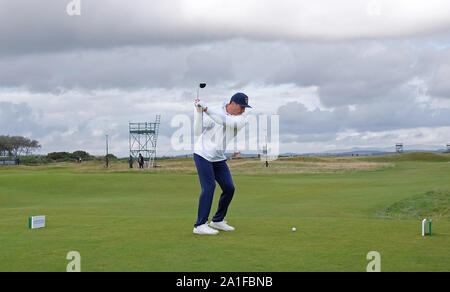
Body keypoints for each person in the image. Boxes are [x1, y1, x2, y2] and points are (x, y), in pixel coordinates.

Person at [192, 92, 251, 235]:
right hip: (203, 154)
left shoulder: (242, 119)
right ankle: (200, 225)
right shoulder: (215, 111)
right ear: (232, 104)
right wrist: (198, 112)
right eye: (242, 107)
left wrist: (205, 109)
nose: (243, 110)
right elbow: (197, 131)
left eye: (245, 107)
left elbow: (224, 121)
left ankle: (217, 220)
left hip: (218, 157)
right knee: (209, 187)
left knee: (229, 188)